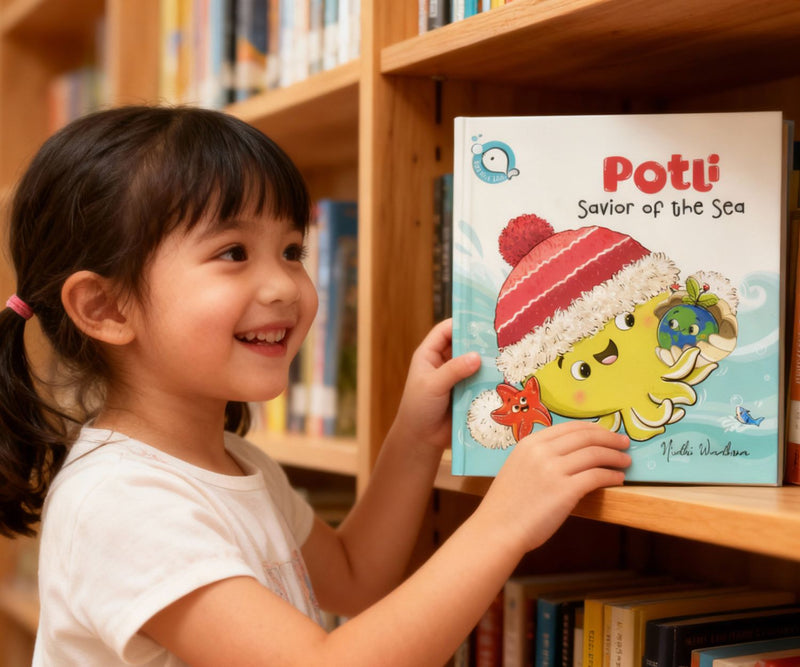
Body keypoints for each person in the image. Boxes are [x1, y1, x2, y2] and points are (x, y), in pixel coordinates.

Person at [0, 105, 631, 666]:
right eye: (233, 253)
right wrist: (504, 523)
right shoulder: (121, 501)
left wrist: (414, 437)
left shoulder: (235, 462)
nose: (284, 286)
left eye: (292, 251)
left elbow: (356, 578)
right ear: (106, 308)